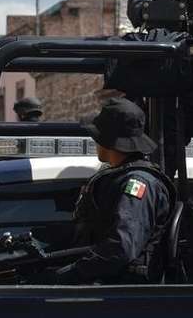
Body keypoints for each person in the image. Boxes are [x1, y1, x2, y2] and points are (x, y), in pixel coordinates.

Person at [47, 98, 175, 284]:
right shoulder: (117, 177)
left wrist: (73, 273)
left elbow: (121, 248)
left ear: (108, 141)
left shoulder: (137, 183)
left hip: (123, 295)